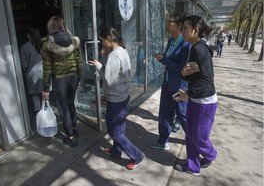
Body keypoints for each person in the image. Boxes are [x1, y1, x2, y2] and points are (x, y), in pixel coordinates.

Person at [89, 26, 145, 170]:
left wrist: (99, 65)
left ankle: (137, 155)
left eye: (102, 41)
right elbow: (117, 72)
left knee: (114, 131)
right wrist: (105, 56)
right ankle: (116, 151)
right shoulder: (122, 50)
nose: (102, 45)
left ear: (109, 39)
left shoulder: (114, 55)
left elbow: (108, 79)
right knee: (119, 127)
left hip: (116, 98)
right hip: (123, 95)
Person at [174, 15, 218, 176]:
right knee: (191, 134)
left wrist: (188, 93)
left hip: (205, 102)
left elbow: (207, 77)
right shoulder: (194, 47)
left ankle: (211, 155)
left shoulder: (199, 48)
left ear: (195, 30)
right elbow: (194, 73)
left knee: (199, 138)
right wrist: (184, 74)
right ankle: (193, 166)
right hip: (196, 99)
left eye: (185, 28)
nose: (182, 31)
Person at [149, 13, 190, 150]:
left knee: (182, 115)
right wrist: (161, 57)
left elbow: (183, 68)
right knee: (164, 113)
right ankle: (162, 141)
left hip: (179, 86)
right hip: (167, 83)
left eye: (171, 22)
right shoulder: (171, 40)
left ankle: (195, 140)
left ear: (179, 25)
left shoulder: (185, 44)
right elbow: (168, 60)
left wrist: (165, 60)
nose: (168, 24)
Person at [42, 16, 82, 147]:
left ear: (51, 27)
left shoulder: (48, 44)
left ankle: (70, 136)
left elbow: (47, 68)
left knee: (63, 108)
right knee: (71, 103)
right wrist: (79, 78)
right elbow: (79, 62)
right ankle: (74, 128)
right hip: (72, 77)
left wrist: (46, 88)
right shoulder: (73, 41)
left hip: (59, 79)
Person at [20, 27, 43, 133]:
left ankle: (40, 123)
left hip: (32, 76)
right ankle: (47, 119)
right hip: (44, 75)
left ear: (29, 35)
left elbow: (24, 65)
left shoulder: (24, 47)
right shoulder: (43, 45)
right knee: (45, 98)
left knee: (35, 99)